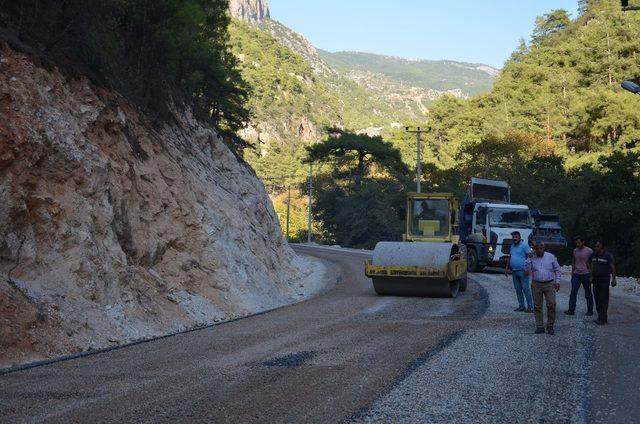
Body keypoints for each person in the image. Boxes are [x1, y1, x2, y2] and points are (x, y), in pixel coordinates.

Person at [525, 242, 562, 335]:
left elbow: (557, 270)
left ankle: (550, 326)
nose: (539, 250)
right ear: (535, 249)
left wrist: (557, 281)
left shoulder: (551, 257)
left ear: (544, 248)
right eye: (538, 248)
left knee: (551, 304)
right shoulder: (531, 258)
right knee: (537, 306)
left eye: (541, 248)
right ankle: (540, 326)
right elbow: (526, 270)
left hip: (549, 283)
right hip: (536, 284)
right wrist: (529, 258)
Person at [505, 231, 533, 313]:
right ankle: (521, 306)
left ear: (520, 237)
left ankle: (530, 307)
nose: (514, 239)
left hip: (523, 271)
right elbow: (510, 256)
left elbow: (530, 256)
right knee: (518, 289)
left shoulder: (524, 245)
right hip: (514, 271)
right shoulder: (512, 246)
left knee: (526, 289)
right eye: (513, 237)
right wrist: (506, 268)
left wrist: (528, 268)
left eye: (516, 237)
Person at [590, 241, 617, 325]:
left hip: (604, 280)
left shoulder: (608, 255)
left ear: (602, 247)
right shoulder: (593, 255)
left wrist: (614, 279)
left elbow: (612, 267)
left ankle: (602, 319)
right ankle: (601, 317)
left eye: (598, 246)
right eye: (595, 246)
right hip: (595, 280)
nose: (596, 248)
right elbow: (589, 263)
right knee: (597, 299)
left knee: (603, 299)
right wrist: (590, 275)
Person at [565, 236, 594, 316]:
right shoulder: (575, 251)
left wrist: (591, 274)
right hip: (576, 274)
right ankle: (571, 310)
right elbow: (574, 261)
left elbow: (592, 262)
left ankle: (590, 310)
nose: (577, 244)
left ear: (583, 242)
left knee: (588, 293)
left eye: (579, 242)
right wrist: (572, 272)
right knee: (573, 292)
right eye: (576, 243)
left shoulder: (589, 251)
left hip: (586, 274)